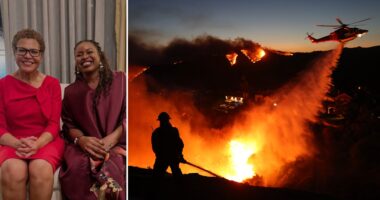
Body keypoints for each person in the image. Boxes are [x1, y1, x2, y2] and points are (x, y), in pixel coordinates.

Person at [0, 28, 64, 200]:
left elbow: (53, 124)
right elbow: (0, 127)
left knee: (40, 168)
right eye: (22, 50)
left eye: (34, 51)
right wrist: (16, 143)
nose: (28, 56)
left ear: (41, 56)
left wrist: (37, 144)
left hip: (45, 141)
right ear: (14, 52)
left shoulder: (52, 84)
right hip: (12, 141)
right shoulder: (2, 85)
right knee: (13, 170)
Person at [59, 40, 126, 200]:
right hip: (84, 146)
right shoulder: (71, 92)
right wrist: (82, 140)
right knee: (77, 169)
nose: (85, 57)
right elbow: (69, 125)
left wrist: (112, 138)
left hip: (117, 142)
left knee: (112, 169)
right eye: (79, 55)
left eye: (90, 52)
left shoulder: (120, 80)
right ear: (75, 61)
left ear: (99, 56)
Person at [152, 112, 184, 178]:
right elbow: (180, 144)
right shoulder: (173, 131)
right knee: (176, 174)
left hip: (165, 158)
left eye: (163, 121)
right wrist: (179, 155)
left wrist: (180, 155)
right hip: (169, 157)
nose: (163, 122)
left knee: (157, 176)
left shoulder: (157, 132)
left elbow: (180, 144)